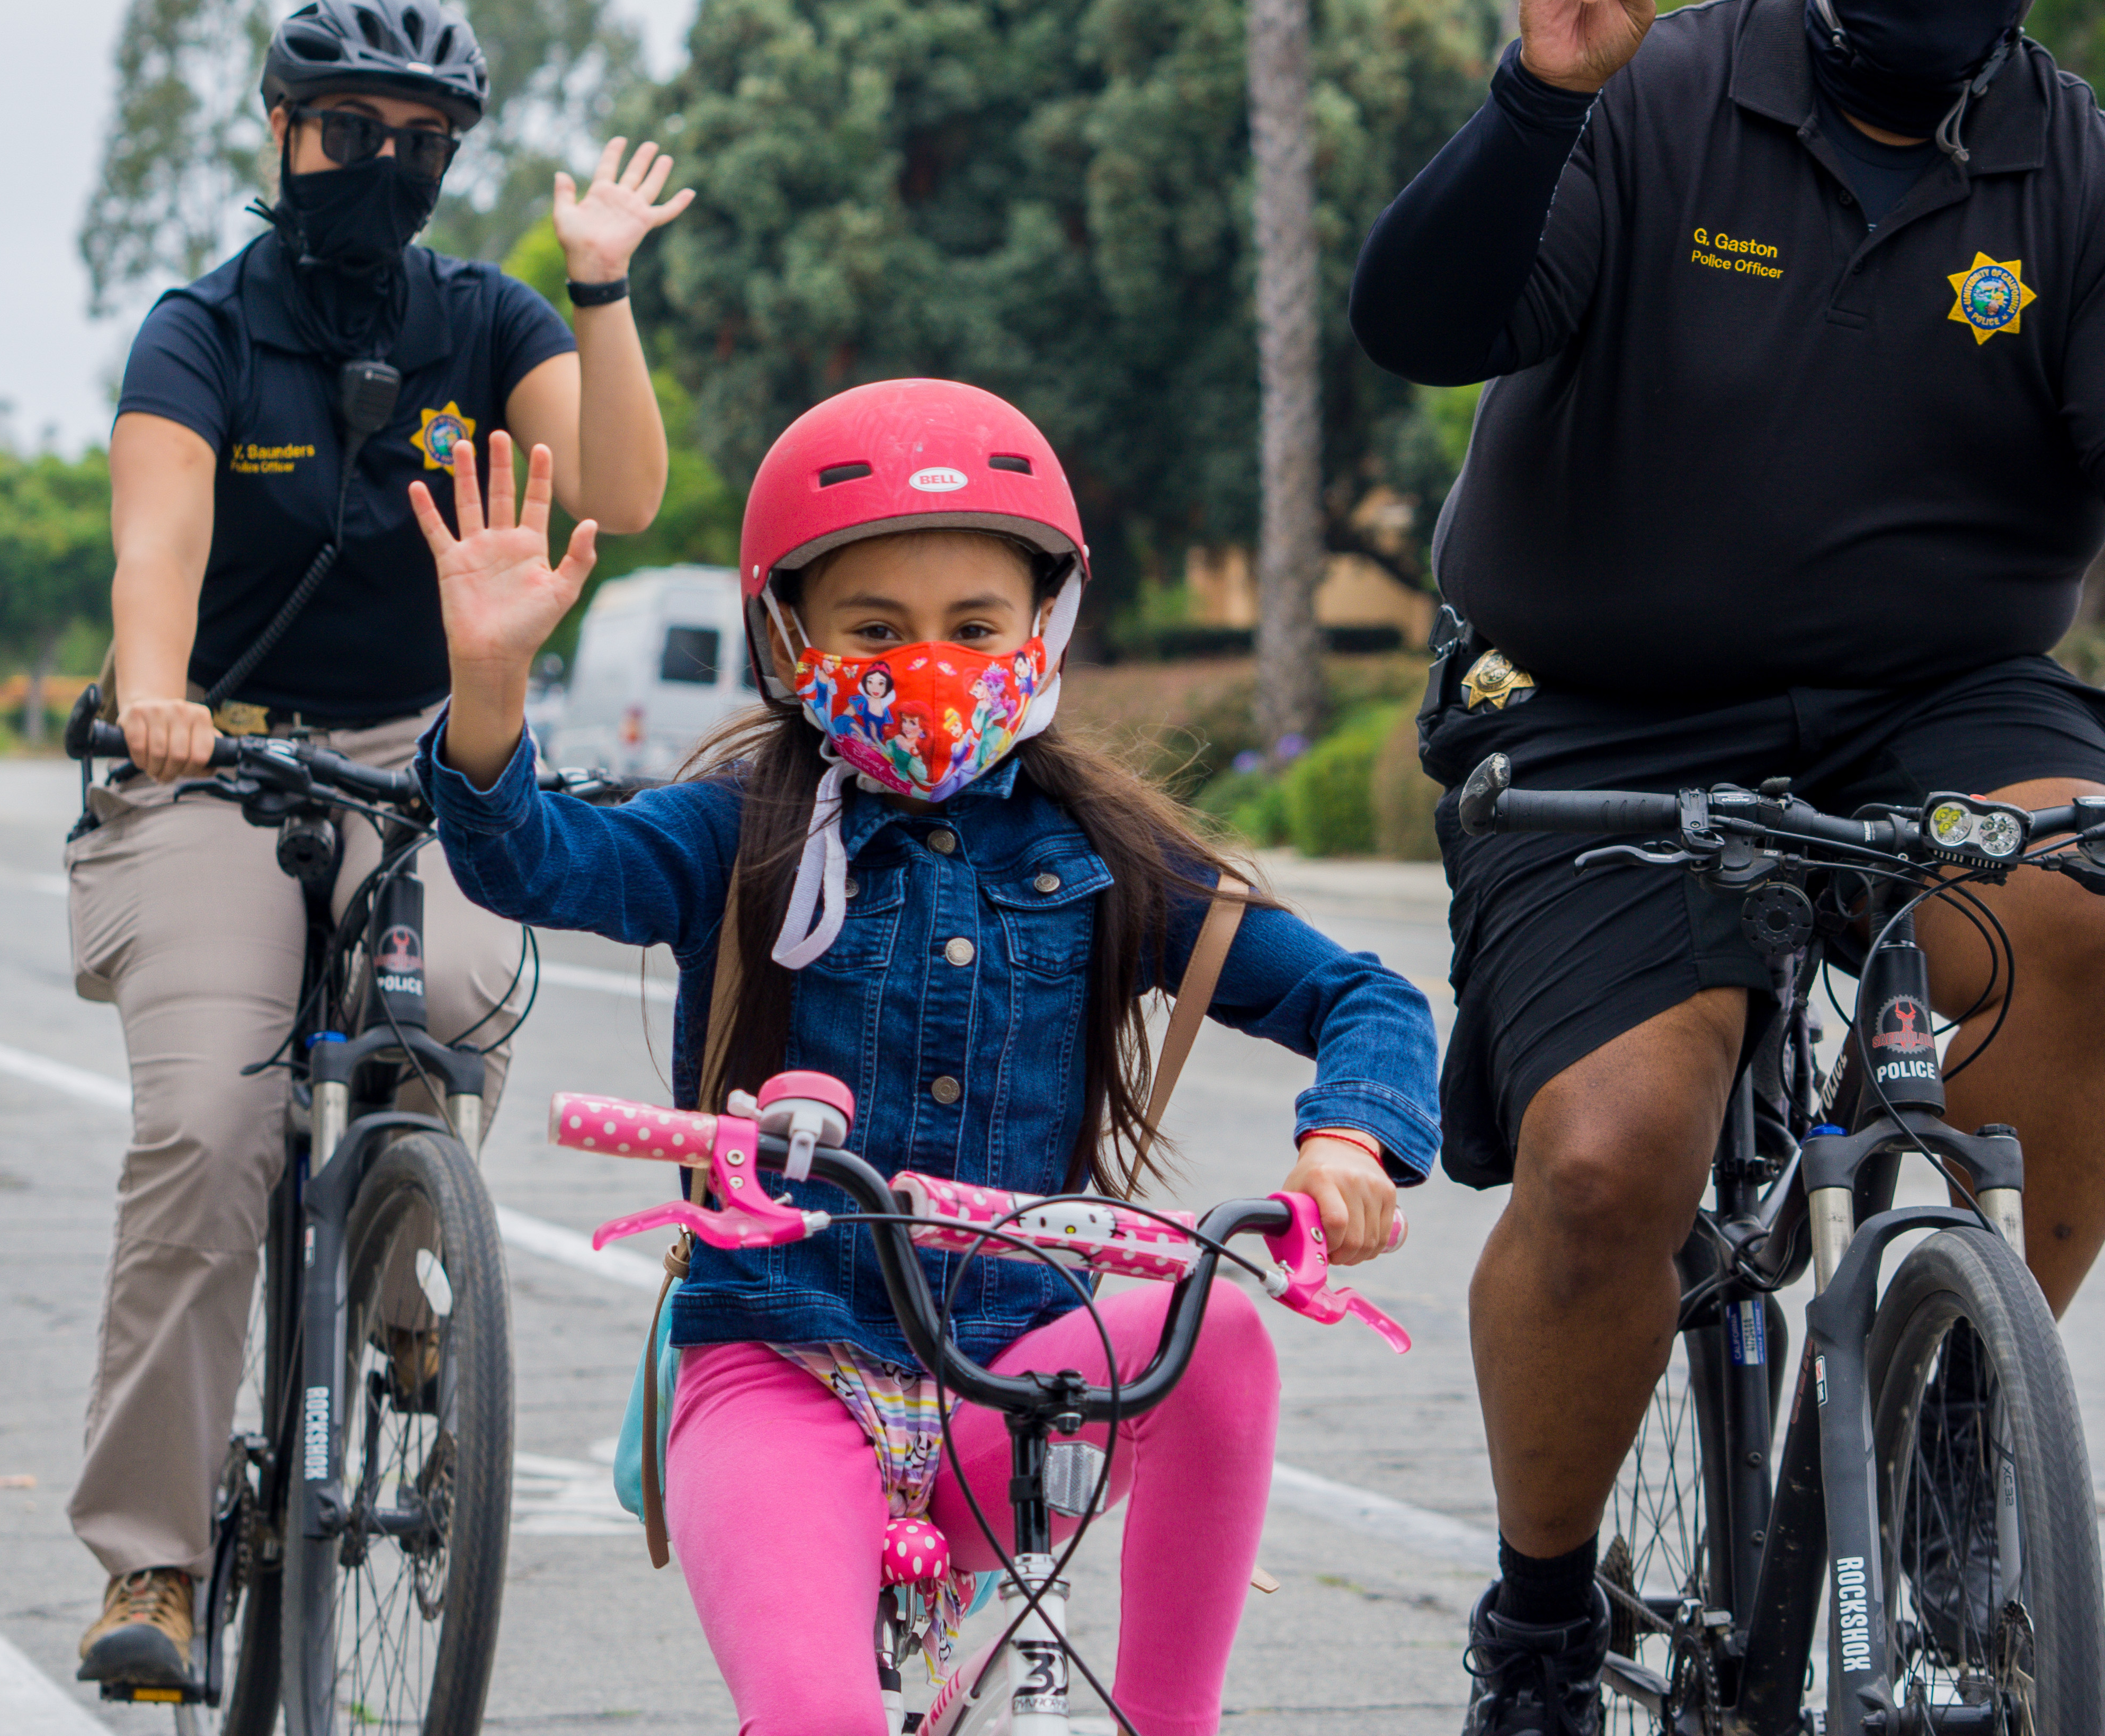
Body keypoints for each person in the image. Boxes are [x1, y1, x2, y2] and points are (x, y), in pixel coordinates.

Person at [1346, 0, 2105, 1733]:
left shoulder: (2092, 190)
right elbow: (1420, 323)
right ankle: (1542, 1624)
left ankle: (1951, 1437)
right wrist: (1533, 102)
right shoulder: (1649, 99)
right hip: (1602, 704)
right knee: (1610, 1162)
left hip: (1938, 698)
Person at [406, 378, 1442, 1736]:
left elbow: (1361, 994)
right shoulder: (734, 827)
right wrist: (488, 686)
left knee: (1217, 1319)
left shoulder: (1111, 857)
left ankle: (1168, 1722)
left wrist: (1346, 1138)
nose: (931, 667)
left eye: (974, 628)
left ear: (1044, 629)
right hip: (777, 1368)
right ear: (792, 633)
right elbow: (533, 857)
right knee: (820, 1719)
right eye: (876, 631)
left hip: (1019, 1388)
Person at [63, 0, 691, 1690]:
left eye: (422, 145)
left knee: (445, 1012)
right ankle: (156, 1567)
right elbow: (156, 543)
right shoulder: (201, 328)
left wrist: (603, 287)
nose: (385, 165)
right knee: (209, 1126)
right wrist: (157, 690)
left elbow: (623, 495)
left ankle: (410, 1287)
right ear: (281, 129)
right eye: (353, 133)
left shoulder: (488, 324)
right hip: (213, 760)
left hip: (421, 753)